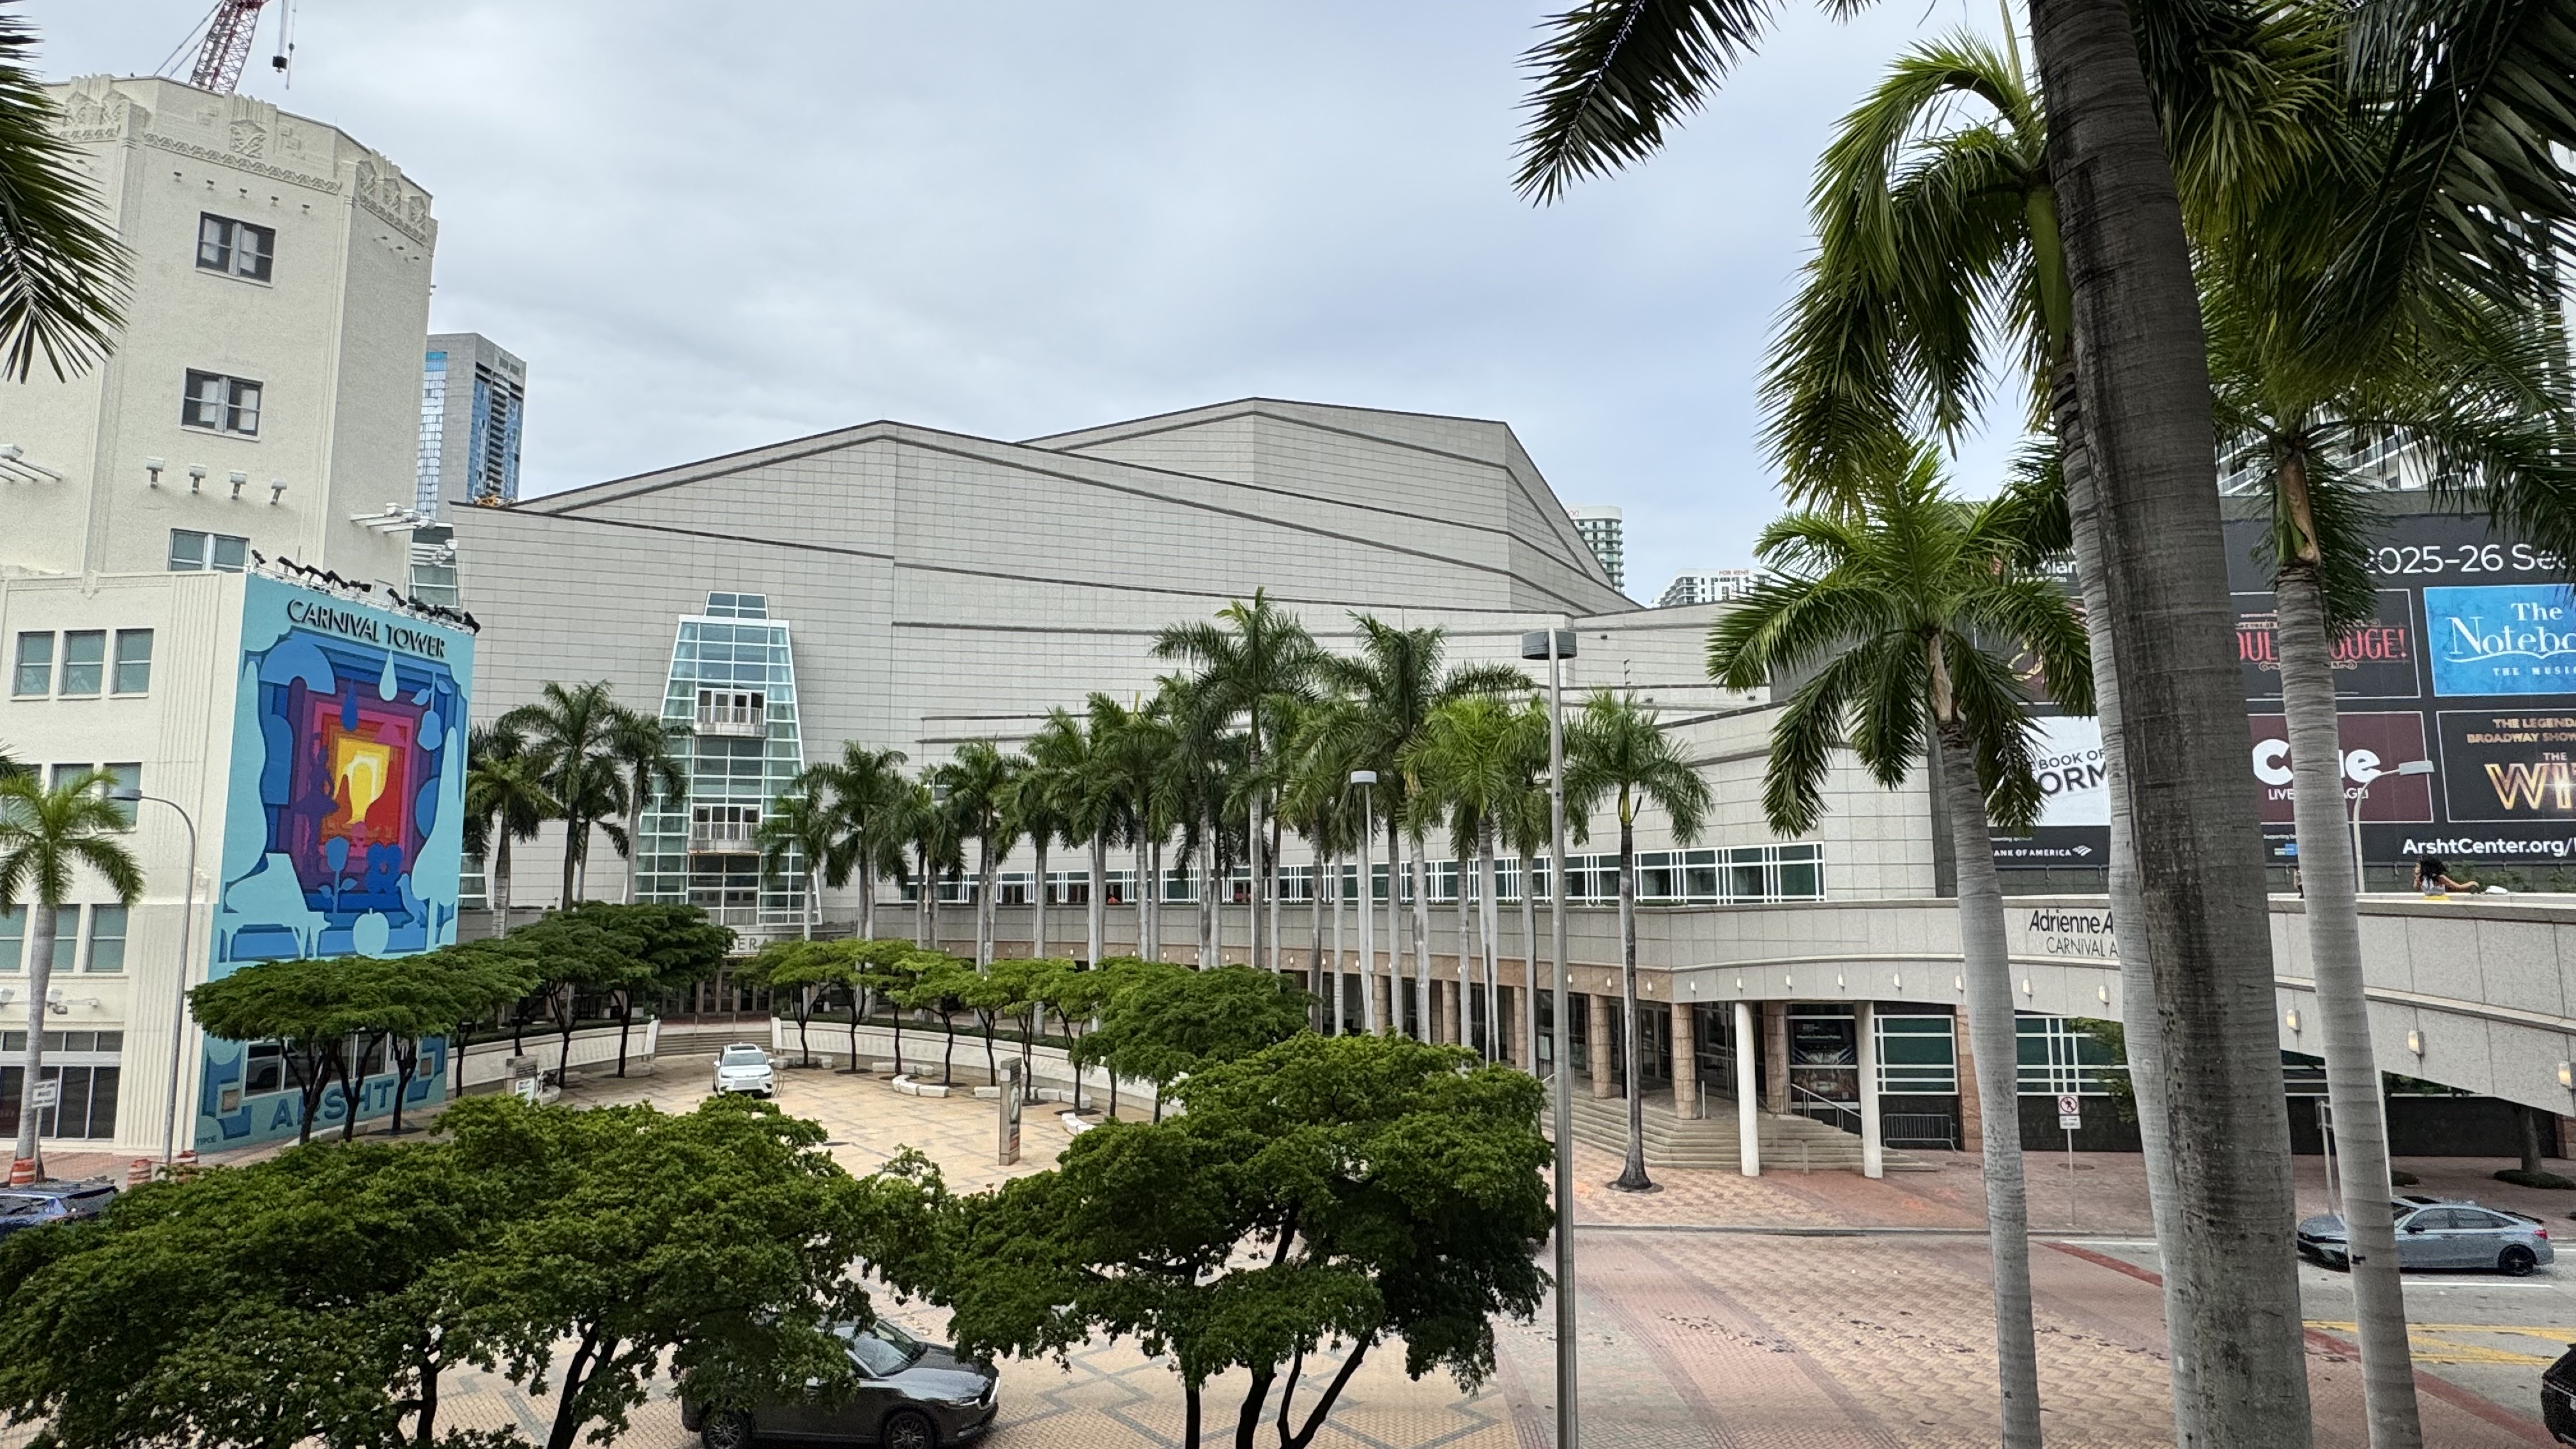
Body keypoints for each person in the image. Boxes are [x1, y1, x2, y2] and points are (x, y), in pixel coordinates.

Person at [2417, 855, 2481, 894]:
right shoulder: (2440, 878)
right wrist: (2472, 883)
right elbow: (2458, 887)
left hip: (2427, 900)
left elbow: (2416, 888)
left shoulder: (2420, 878)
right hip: (2441, 901)